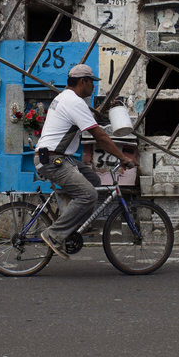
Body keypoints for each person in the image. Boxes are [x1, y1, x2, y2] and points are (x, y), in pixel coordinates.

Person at [34, 64, 134, 260]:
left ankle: (73, 225)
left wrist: (105, 109)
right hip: (53, 160)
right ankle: (54, 235)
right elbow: (100, 137)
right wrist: (122, 157)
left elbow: (87, 118)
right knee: (88, 194)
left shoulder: (65, 97)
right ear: (82, 82)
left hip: (58, 157)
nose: (93, 87)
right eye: (91, 82)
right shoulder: (74, 102)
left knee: (94, 183)